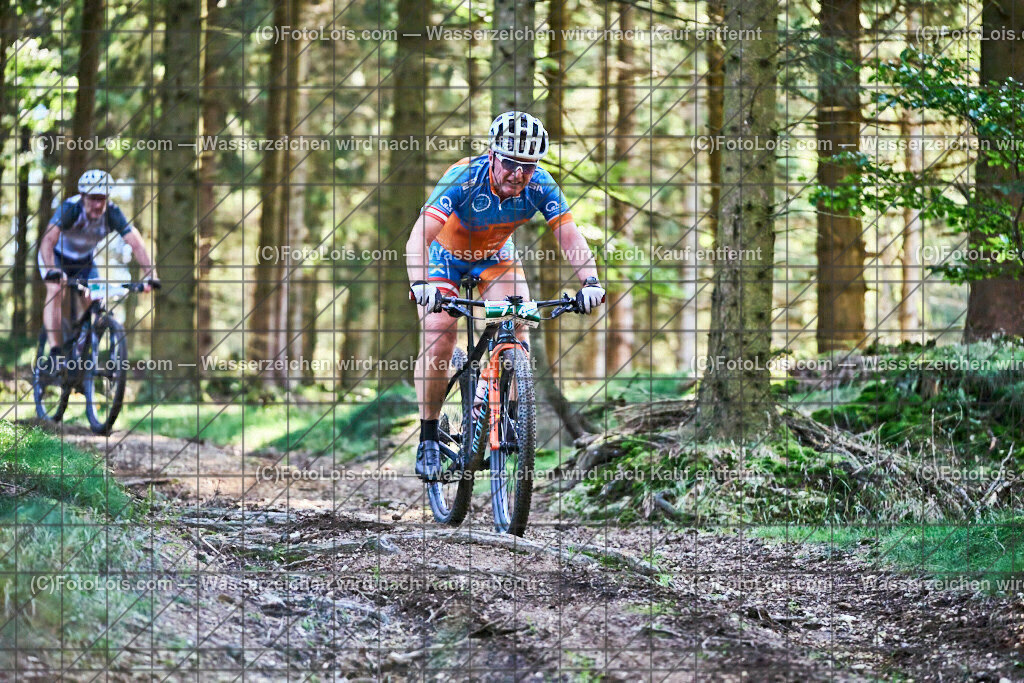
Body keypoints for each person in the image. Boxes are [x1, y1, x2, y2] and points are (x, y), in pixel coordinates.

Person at [406, 111, 605, 481]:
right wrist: (421, 285)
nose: (518, 174)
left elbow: (569, 237)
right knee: (439, 338)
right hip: (444, 258)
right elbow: (419, 235)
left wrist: (591, 282)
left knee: (518, 323)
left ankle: (502, 414)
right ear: (493, 155)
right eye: (511, 163)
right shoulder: (464, 177)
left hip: (496, 257)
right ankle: (429, 437)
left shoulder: (541, 184)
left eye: (527, 167)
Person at [38, 169, 158, 367]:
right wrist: (52, 270)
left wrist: (151, 276)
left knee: (93, 298)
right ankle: (55, 351)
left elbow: (136, 243)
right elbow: (48, 240)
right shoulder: (71, 208)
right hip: (57, 257)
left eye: (102, 198)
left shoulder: (112, 213)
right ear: (83, 196)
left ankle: (80, 353)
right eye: (93, 198)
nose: (98, 204)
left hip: (84, 261)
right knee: (55, 290)